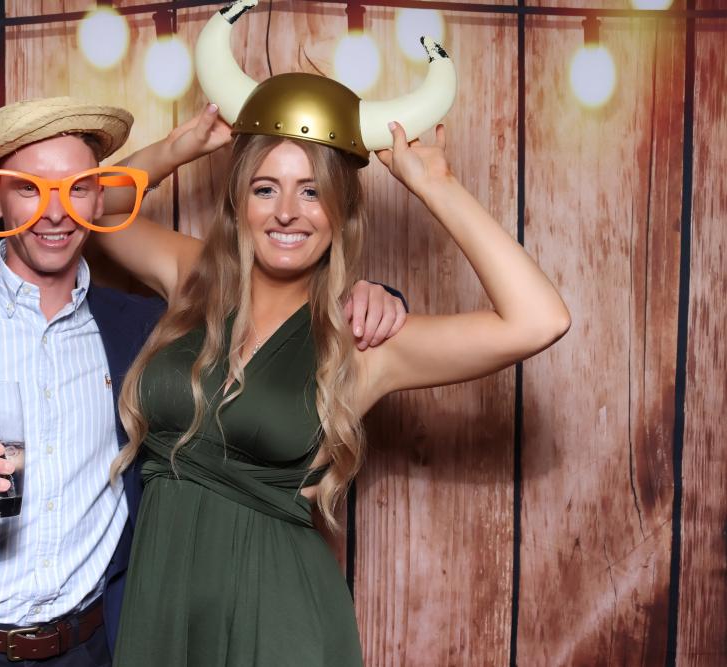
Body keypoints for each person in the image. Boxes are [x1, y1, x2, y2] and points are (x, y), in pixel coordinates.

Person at [0, 96, 409, 667]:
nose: (55, 213)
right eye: (29, 189)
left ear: (97, 196)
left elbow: (281, 315)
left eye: (77, 188)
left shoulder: (147, 332)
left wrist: (370, 295)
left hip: (101, 647)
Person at [92, 4, 572, 666]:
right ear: (238, 201)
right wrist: (181, 147)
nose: (287, 212)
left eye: (312, 192)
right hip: (163, 609)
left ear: (342, 211)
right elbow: (91, 209)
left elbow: (539, 319)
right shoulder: (193, 276)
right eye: (266, 188)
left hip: (280, 621)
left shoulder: (364, 342)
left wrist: (438, 186)